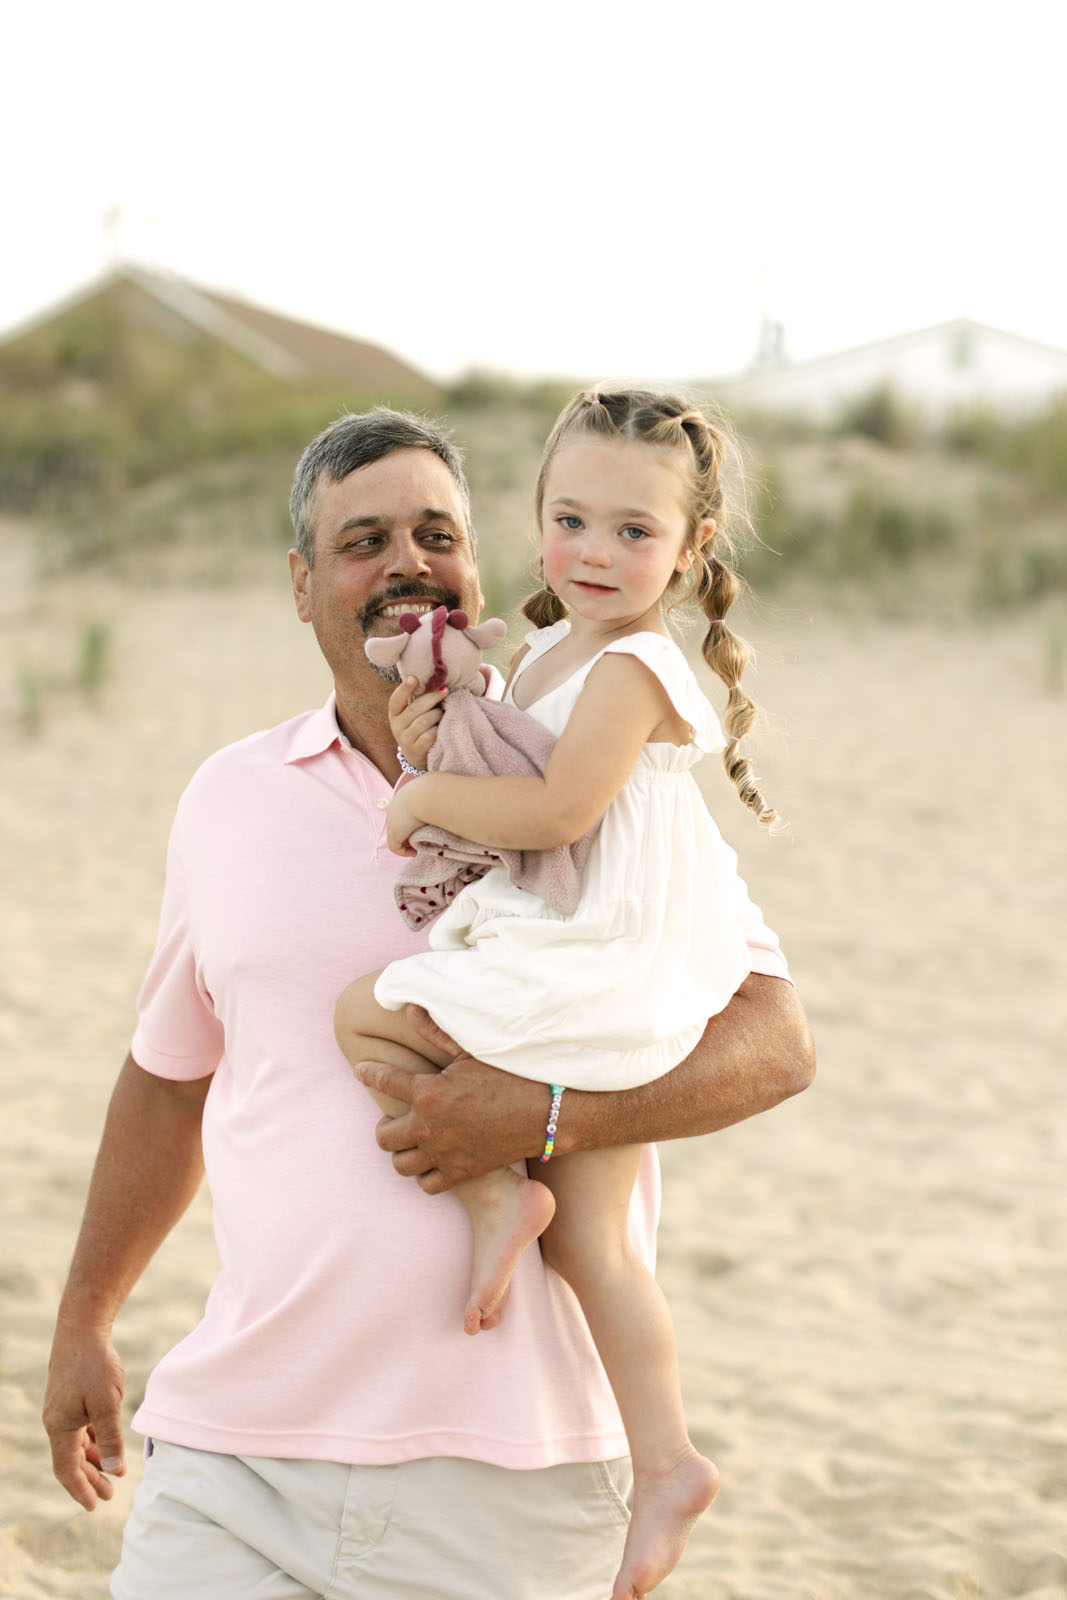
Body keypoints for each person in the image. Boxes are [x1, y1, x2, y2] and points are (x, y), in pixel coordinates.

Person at [42, 405, 815, 1600]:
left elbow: (774, 1047)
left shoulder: (578, 751)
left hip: (514, 1479)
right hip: (238, 1452)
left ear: (476, 558)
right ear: (303, 585)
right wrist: (87, 1312)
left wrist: (540, 1118)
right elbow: (168, 1073)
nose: (405, 562)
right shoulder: (228, 798)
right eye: (362, 541)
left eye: (433, 532)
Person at [334, 388, 777, 1600]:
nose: (594, 551)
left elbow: (557, 813)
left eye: (634, 532)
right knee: (592, 1239)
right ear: (535, 520)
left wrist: (418, 802)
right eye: (571, 519)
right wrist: (433, 743)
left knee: (365, 1012)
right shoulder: (538, 654)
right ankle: (667, 1459)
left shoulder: (634, 665)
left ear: (689, 551)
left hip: (595, 948)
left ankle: (488, 1198)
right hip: (561, 932)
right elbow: (504, 768)